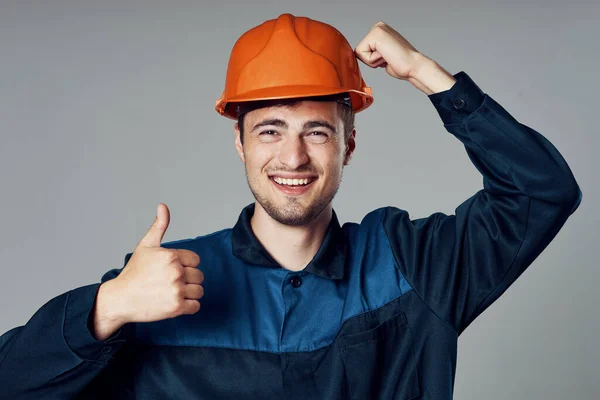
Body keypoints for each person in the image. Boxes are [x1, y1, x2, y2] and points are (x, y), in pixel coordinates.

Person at [0, 13, 582, 400]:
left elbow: (542, 190)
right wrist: (105, 308)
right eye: (271, 131)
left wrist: (428, 75)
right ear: (240, 143)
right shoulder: (161, 284)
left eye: (318, 132)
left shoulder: (411, 264)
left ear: (349, 143)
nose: (294, 157)